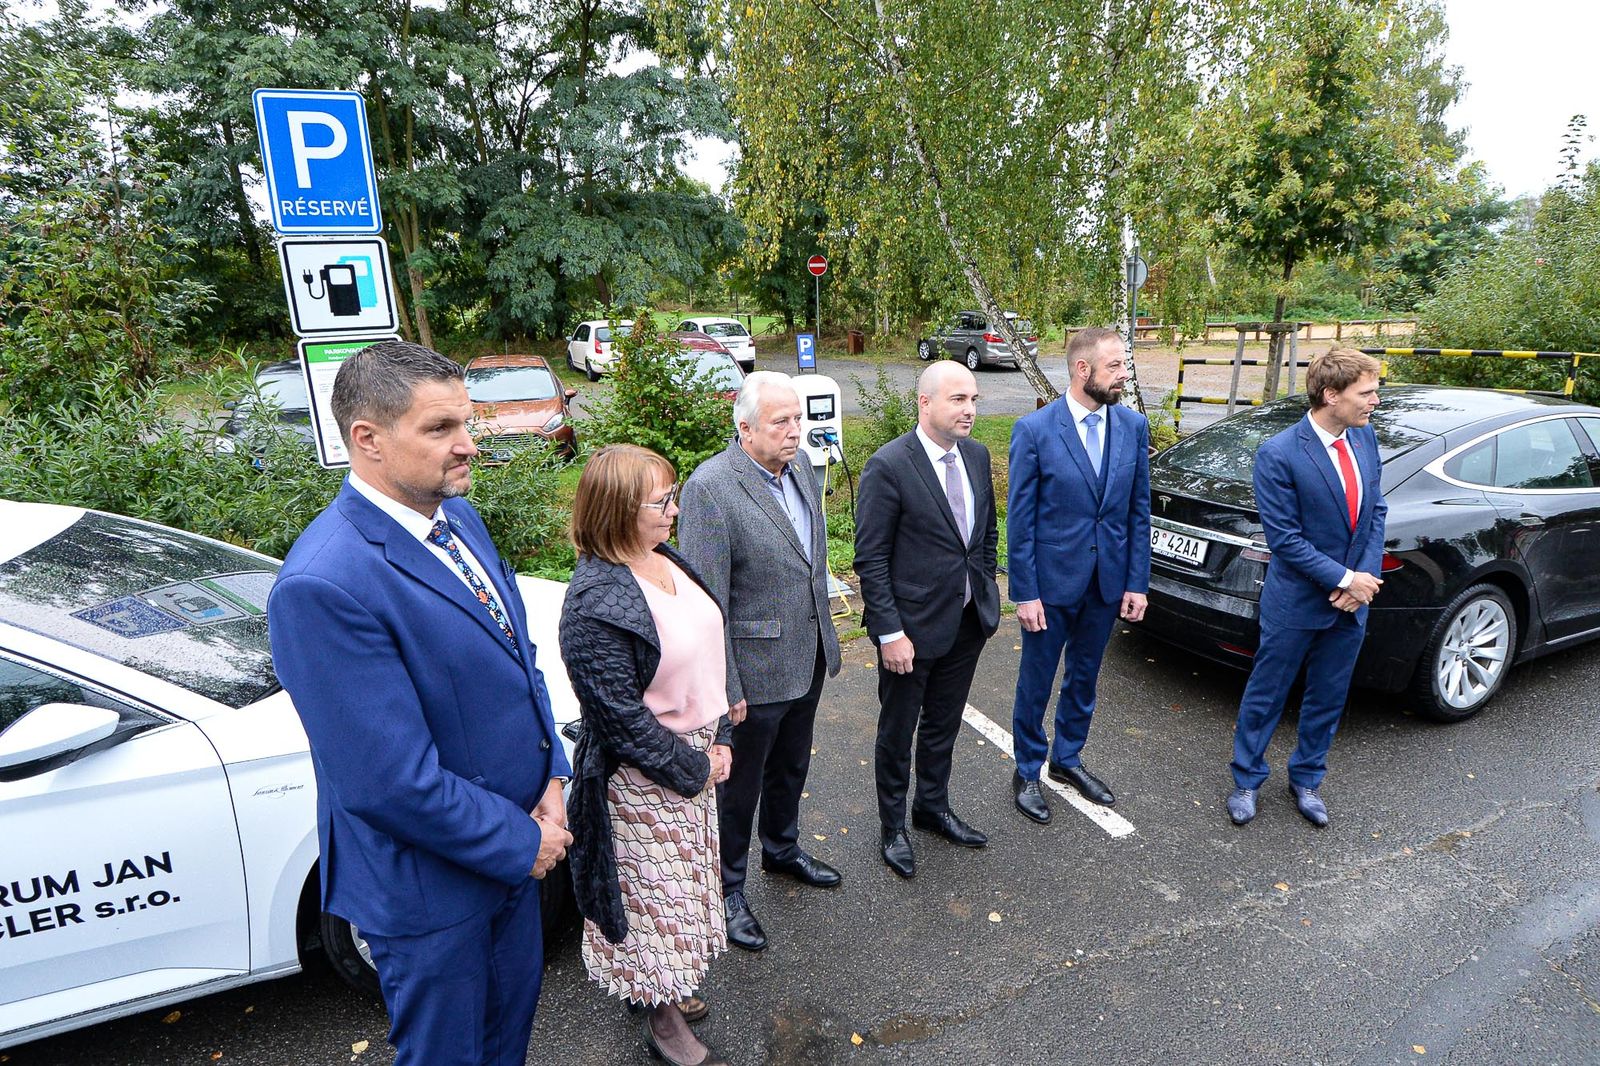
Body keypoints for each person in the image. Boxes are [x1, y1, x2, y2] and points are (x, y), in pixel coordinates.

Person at [267, 340, 572, 1066]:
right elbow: (387, 780)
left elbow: (516, 660)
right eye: (440, 429)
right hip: (432, 895)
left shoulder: (456, 519)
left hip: (515, 854)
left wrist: (554, 777)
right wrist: (521, 843)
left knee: (507, 1046)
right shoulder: (324, 584)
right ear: (366, 440)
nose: (469, 445)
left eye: (466, 423)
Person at [559, 444, 735, 1066]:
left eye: (672, 494)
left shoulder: (663, 557)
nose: (675, 509)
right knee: (648, 903)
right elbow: (621, 721)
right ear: (615, 510)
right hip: (639, 781)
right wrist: (694, 767)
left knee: (683, 891)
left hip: (695, 754)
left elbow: (711, 641)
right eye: (661, 502)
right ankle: (659, 1015)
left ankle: (670, 981)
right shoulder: (592, 601)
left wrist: (720, 736)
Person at [677, 371, 844, 953]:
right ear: (744, 428)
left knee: (791, 767)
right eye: (781, 422)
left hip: (808, 652)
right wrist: (725, 684)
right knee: (738, 788)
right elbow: (706, 600)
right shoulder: (712, 489)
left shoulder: (796, 468)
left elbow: (808, 560)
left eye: (798, 418)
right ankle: (726, 890)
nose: (796, 430)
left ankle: (782, 848)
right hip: (751, 670)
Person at [1226, 348, 1387, 828]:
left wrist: (1360, 582)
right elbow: (1286, 540)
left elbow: (1375, 513)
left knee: (1328, 695)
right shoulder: (1279, 453)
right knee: (1267, 692)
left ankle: (1308, 779)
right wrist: (1344, 578)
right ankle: (1247, 778)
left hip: (1351, 603)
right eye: (1367, 392)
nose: (1375, 401)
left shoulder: (1365, 438)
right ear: (1331, 395)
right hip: (1296, 601)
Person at [854, 361, 1000, 879]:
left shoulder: (978, 457)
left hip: (965, 621)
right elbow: (870, 559)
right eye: (959, 399)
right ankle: (893, 826)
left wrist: (983, 591)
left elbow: (984, 536)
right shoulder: (889, 465)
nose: (970, 410)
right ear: (926, 402)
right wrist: (890, 632)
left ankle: (931, 807)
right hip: (909, 632)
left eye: (974, 399)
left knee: (943, 725)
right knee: (898, 731)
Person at [1005, 327, 1151, 824]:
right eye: (1115, 366)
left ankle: (1067, 759)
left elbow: (1138, 513)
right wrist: (1023, 592)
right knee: (1037, 680)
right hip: (1050, 586)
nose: (1124, 375)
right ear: (1082, 370)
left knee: (1084, 678)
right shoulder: (1035, 430)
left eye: (1123, 366)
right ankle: (1028, 769)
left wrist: (1136, 582)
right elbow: (1020, 522)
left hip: (1106, 584)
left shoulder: (1132, 428)